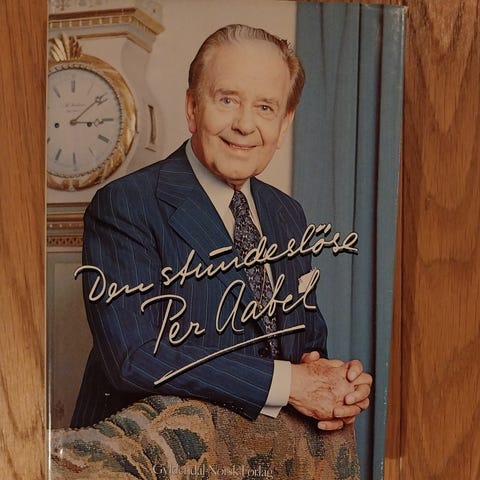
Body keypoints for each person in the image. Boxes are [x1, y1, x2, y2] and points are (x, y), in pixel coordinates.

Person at [71, 24, 372, 430]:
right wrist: (291, 384)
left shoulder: (288, 215)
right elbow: (134, 357)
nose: (245, 125)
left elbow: (306, 345)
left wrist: (336, 388)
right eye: (227, 99)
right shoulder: (125, 205)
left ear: (284, 124)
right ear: (192, 109)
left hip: (259, 453)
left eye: (265, 107)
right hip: (148, 454)